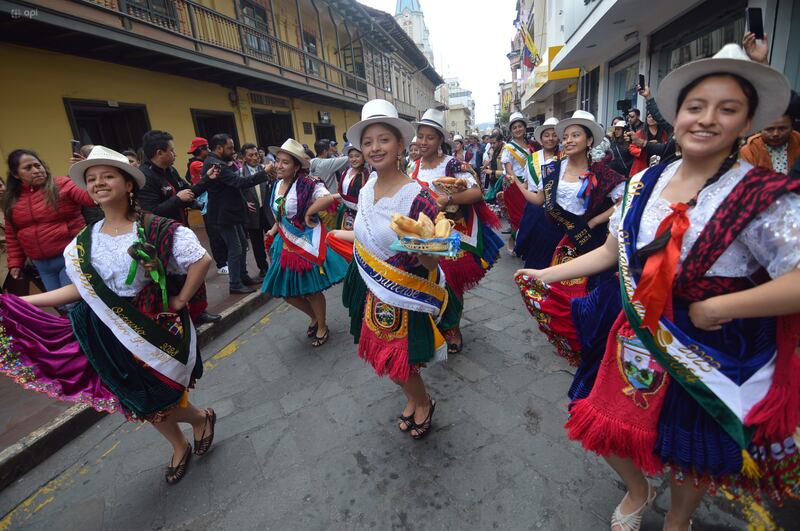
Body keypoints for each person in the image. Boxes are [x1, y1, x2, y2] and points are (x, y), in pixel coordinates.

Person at [524, 44, 800, 530]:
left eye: (728, 108)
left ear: (747, 121)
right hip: (634, 333)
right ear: (676, 115)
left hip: (707, 346)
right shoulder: (643, 182)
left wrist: (723, 306)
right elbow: (613, 253)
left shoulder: (761, 195)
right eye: (696, 106)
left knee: (689, 446)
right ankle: (639, 488)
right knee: (595, 416)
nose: (708, 119)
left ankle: (677, 519)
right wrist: (547, 275)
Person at [0, 146, 218, 484]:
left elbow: (200, 260)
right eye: (91, 178)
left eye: (108, 176)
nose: (98, 183)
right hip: (106, 330)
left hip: (151, 324)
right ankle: (178, 444)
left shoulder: (155, 227)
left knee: (161, 392)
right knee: (135, 396)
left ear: (128, 184)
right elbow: (81, 289)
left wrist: (180, 299)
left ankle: (200, 417)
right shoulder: (83, 243)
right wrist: (24, 304)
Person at [342, 99, 461, 439]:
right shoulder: (366, 188)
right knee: (388, 362)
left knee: (399, 362)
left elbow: (434, 255)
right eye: (367, 142)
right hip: (373, 289)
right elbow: (367, 234)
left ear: (398, 146)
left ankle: (423, 402)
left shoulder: (417, 196)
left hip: (403, 294)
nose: (374, 147)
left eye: (383, 140)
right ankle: (414, 398)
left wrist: (425, 249)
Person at [513, 110, 625, 385]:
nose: (568, 140)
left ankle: (584, 342)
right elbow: (540, 201)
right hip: (555, 237)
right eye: (565, 137)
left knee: (585, 295)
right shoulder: (552, 169)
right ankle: (567, 338)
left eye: (575, 135)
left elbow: (623, 202)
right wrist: (516, 185)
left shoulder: (603, 173)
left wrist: (597, 219)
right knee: (556, 292)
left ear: (589, 141)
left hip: (589, 241)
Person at [412, 108, 503, 353]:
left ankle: (453, 328)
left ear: (440, 140)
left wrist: (444, 199)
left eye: (429, 137)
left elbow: (475, 193)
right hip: (425, 234)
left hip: (454, 232)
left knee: (450, 284)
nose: (423, 142)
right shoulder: (412, 166)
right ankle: (435, 324)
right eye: (420, 136)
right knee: (427, 281)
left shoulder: (452, 165)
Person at [261, 139, 348, 347]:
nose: (279, 166)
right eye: (278, 161)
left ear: (297, 166)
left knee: (311, 290)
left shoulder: (309, 183)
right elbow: (279, 215)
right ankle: (314, 316)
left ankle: (322, 325)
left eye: (285, 162)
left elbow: (328, 198)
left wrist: (309, 211)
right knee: (284, 291)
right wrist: (273, 230)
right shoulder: (276, 185)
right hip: (284, 242)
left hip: (305, 241)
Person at [4, 149, 95, 293]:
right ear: (16, 175)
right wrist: (15, 263)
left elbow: (91, 199)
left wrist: (87, 174)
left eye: (38, 165)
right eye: (28, 168)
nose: (36, 170)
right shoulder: (12, 200)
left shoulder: (62, 185)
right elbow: (12, 235)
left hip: (71, 256)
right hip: (42, 265)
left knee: (73, 301)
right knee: (61, 305)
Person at [202, 134, 274, 294]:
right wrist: (264, 172)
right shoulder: (215, 165)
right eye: (229, 148)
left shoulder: (219, 163)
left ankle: (243, 276)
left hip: (231, 213)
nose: (233, 151)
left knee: (242, 244)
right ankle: (235, 283)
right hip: (223, 215)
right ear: (219, 148)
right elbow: (240, 182)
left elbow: (233, 187)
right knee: (235, 248)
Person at [513, 117, 564, 268]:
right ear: (541, 138)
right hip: (534, 207)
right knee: (532, 244)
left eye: (554, 135)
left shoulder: (565, 157)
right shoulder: (532, 158)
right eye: (546, 135)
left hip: (555, 208)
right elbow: (528, 183)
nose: (550, 139)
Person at [138, 130, 209, 227]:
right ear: (159, 153)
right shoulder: (144, 176)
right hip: (164, 233)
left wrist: (208, 178)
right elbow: (152, 212)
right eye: (171, 150)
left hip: (181, 227)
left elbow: (189, 192)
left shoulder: (170, 170)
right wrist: (178, 199)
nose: (175, 154)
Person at [185, 138, 228, 275]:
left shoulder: (197, 164)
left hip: (211, 200)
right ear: (201, 150)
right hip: (207, 202)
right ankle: (221, 264)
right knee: (214, 233)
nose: (210, 151)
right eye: (208, 148)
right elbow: (217, 170)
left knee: (220, 231)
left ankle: (225, 260)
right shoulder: (197, 164)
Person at [499, 112, 535, 254]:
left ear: (525, 128)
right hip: (514, 184)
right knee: (517, 215)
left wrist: (528, 183)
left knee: (529, 215)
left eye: (520, 126)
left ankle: (525, 242)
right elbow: (509, 170)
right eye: (515, 127)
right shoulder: (509, 148)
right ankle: (513, 240)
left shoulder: (531, 146)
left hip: (530, 183)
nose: (518, 129)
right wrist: (520, 185)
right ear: (511, 130)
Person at [240, 143, 270, 278]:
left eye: (256, 154)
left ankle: (277, 265)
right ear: (244, 157)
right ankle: (263, 267)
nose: (254, 157)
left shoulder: (266, 169)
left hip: (267, 211)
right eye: (250, 155)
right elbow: (236, 192)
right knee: (257, 243)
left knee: (273, 238)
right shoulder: (240, 174)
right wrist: (244, 203)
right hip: (252, 213)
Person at [740, 106, 800, 173]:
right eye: (769, 129)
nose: (775, 134)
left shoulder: (798, 142)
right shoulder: (749, 151)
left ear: (792, 128)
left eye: (782, 128)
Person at [335, 144, 370, 230]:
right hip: (345, 211)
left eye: (357, 156)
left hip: (359, 213)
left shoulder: (367, 175)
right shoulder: (346, 172)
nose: (353, 159)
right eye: (351, 157)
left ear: (363, 157)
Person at [627, 110, 672, 177]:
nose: (652, 118)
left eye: (654, 116)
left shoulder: (664, 133)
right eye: (649, 116)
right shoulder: (641, 132)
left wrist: (657, 145)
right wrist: (644, 149)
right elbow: (631, 148)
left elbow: (667, 147)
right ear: (646, 119)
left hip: (658, 164)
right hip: (642, 165)